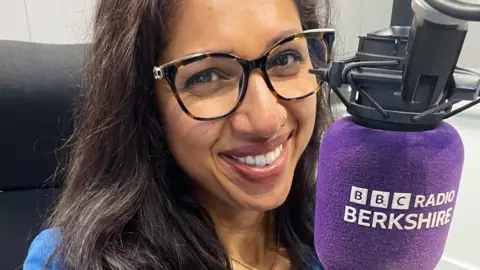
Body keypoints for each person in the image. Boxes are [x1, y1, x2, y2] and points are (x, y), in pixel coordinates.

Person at [23, 0, 334, 269]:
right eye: (207, 76)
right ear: (143, 101)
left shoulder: (343, 231)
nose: (266, 120)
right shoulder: (71, 260)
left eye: (285, 59)